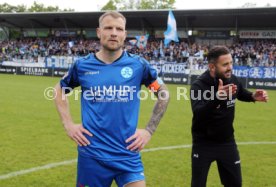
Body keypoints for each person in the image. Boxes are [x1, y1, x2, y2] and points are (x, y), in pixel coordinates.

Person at [54, 11, 169, 187]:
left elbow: (163, 93)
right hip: (92, 156)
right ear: (99, 32)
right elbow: (59, 90)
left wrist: (149, 130)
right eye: (108, 28)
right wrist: (68, 124)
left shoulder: (138, 66)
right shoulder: (82, 66)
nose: (114, 32)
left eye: (119, 29)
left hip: (128, 155)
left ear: (124, 34)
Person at [190, 45, 268, 187]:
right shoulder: (199, 86)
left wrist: (252, 96)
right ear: (212, 67)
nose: (230, 67)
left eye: (231, 63)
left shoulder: (232, 79)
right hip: (203, 144)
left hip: (227, 143)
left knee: (235, 184)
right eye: (225, 64)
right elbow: (199, 113)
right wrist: (216, 98)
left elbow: (240, 92)